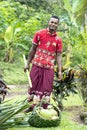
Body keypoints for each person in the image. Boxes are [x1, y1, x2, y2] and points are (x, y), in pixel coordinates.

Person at [24, 15, 63, 113]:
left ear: (58, 25)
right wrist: (28, 63)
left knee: (46, 88)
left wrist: (59, 71)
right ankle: (30, 107)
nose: (53, 24)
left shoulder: (58, 39)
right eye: (52, 22)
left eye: (55, 23)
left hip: (49, 68)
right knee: (32, 86)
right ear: (48, 22)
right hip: (36, 65)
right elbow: (32, 49)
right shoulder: (39, 33)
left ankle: (43, 109)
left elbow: (58, 55)